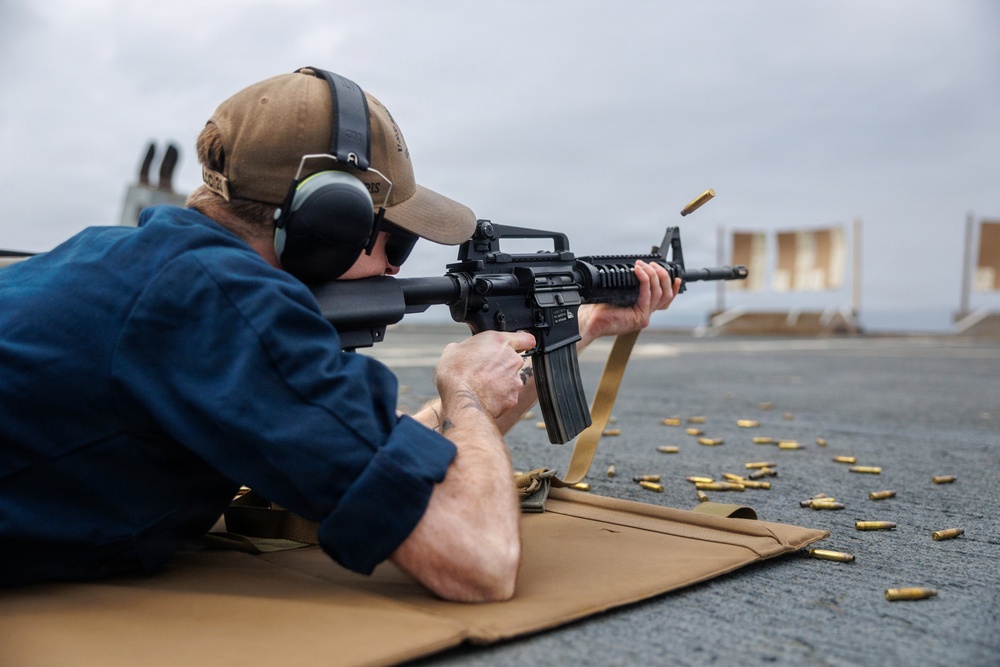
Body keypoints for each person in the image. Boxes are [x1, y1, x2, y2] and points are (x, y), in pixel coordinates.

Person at [0, 67, 679, 602]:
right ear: (327, 223)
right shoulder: (232, 307)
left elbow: (372, 457)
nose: (393, 268)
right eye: (397, 243)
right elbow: (479, 559)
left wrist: (578, 327)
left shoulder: (152, 266)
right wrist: (467, 395)